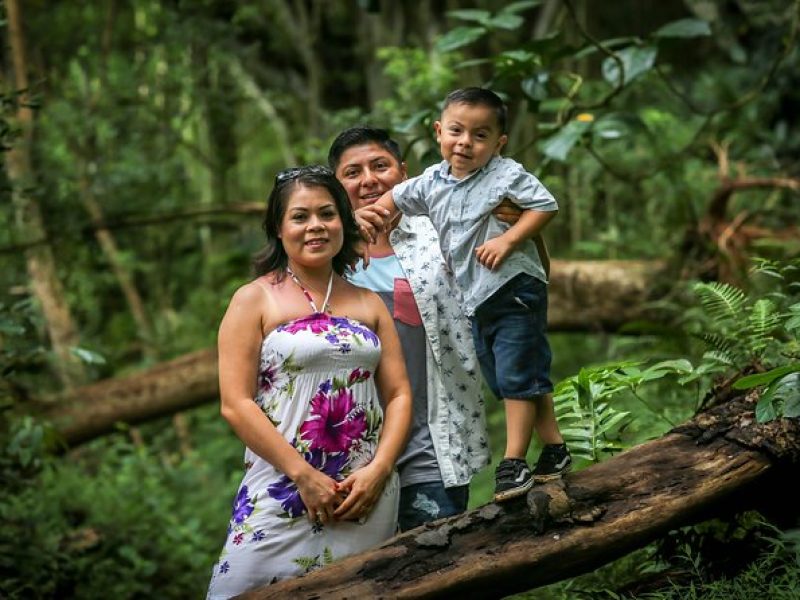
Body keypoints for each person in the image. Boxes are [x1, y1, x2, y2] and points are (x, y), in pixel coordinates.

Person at [356, 87, 571, 504]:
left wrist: (509, 239)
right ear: (439, 132)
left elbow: (546, 206)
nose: (465, 143)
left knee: (514, 376)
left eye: (479, 135)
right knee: (510, 373)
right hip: (476, 296)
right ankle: (556, 448)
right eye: (456, 131)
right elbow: (393, 198)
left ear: (498, 143)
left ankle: (513, 463)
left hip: (513, 286)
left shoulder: (504, 175)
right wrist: (364, 222)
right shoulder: (432, 181)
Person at [207, 165, 412, 598]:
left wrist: (379, 470)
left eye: (327, 214)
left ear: (343, 220)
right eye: (300, 217)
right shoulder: (254, 298)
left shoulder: (369, 301)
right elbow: (235, 403)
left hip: (362, 494)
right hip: (283, 486)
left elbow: (398, 395)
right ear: (278, 229)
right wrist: (303, 476)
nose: (315, 226)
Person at [328, 126, 496, 531]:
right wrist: (346, 236)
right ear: (336, 187)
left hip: (432, 448)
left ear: (404, 175)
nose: (368, 180)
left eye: (379, 166)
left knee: (434, 566)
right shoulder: (323, 251)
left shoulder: (442, 232)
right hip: (342, 452)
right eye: (352, 173)